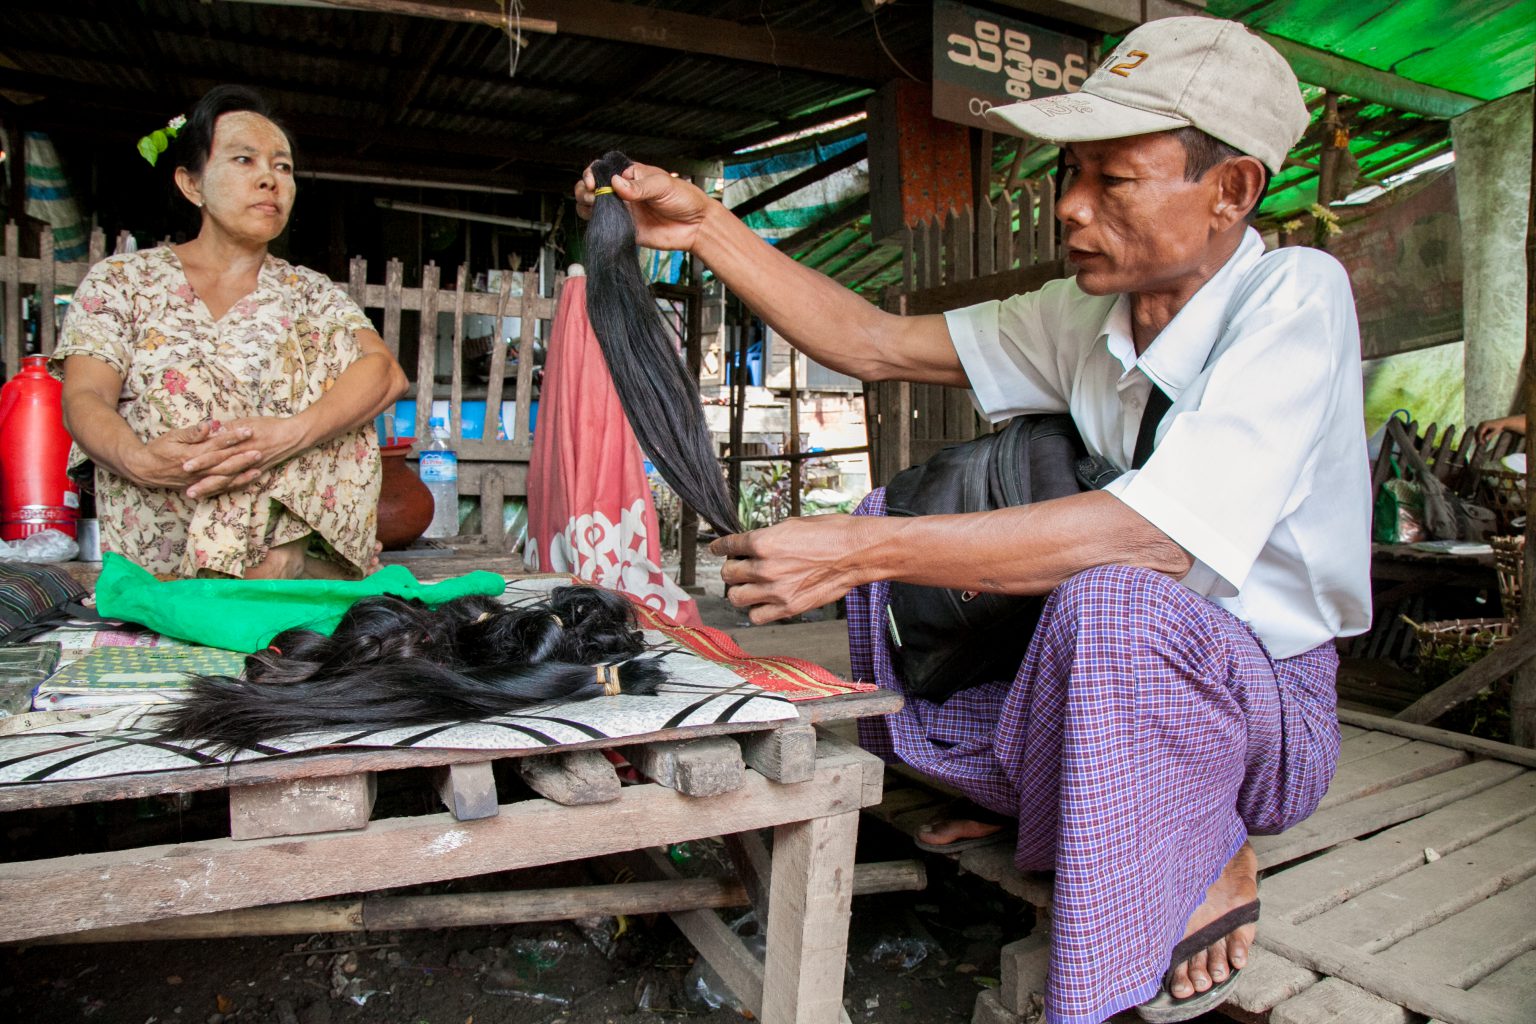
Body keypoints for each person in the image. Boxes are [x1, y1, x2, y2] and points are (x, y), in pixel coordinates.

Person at [579, 16, 1370, 1024]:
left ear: (1232, 190)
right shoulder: (1087, 313)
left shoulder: (1297, 299)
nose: (1071, 208)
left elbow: (1159, 537)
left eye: (1113, 180)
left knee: (1111, 603)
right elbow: (871, 341)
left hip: (1264, 707)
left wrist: (861, 552)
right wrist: (704, 228)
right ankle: (1101, 805)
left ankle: (1197, 846)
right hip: (1104, 670)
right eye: (1069, 174)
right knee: (903, 677)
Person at [52, 86, 408, 579]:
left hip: (280, 532)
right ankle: (223, 577)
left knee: (350, 372)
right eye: (245, 160)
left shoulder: (309, 291)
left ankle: (290, 556)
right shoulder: (123, 281)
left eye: (282, 167)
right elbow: (85, 394)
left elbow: (387, 375)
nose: (269, 179)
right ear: (191, 184)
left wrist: (287, 435)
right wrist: (140, 460)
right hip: (164, 540)